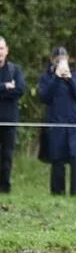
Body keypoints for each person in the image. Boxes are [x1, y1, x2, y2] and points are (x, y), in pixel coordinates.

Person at [38, 47, 76, 196]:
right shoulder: (47, 77)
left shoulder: (75, 75)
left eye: (63, 58)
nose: (61, 61)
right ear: (52, 60)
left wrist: (70, 79)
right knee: (57, 159)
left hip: (74, 123)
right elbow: (44, 97)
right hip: (55, 123)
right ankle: (57, 193)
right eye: (57, 58)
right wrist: (56, 78)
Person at [0, 36, 26, 193]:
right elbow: (11, 91)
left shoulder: (14, 70)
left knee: (7, 155)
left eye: (1, 49)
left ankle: (4, 187)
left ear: (6, 50)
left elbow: (20, 90)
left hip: (9, 120)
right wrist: (5, 87)